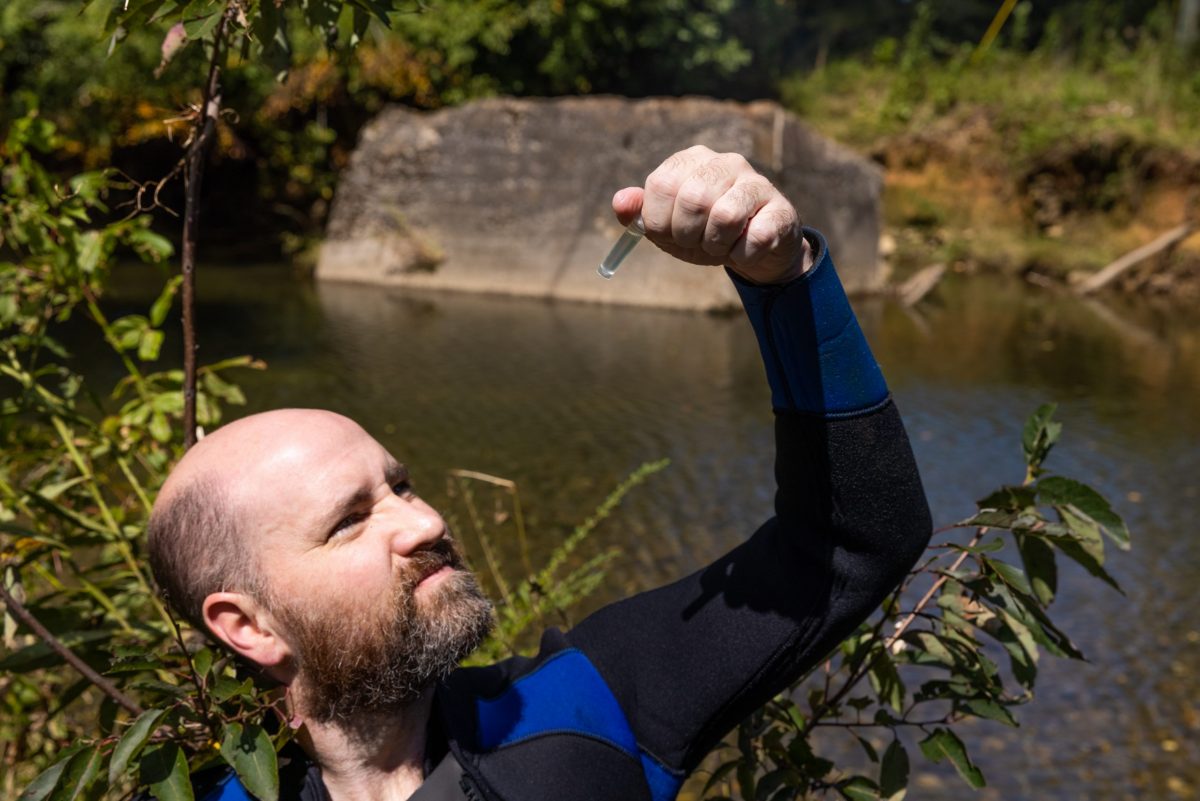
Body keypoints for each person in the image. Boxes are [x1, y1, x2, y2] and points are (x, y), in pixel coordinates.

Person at [147, 145, 932, 801]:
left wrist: (785, 280)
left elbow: (850, 539)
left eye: (402, 485)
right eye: (350, 520)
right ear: (246, 625)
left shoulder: (585, 709)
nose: (424, 522)